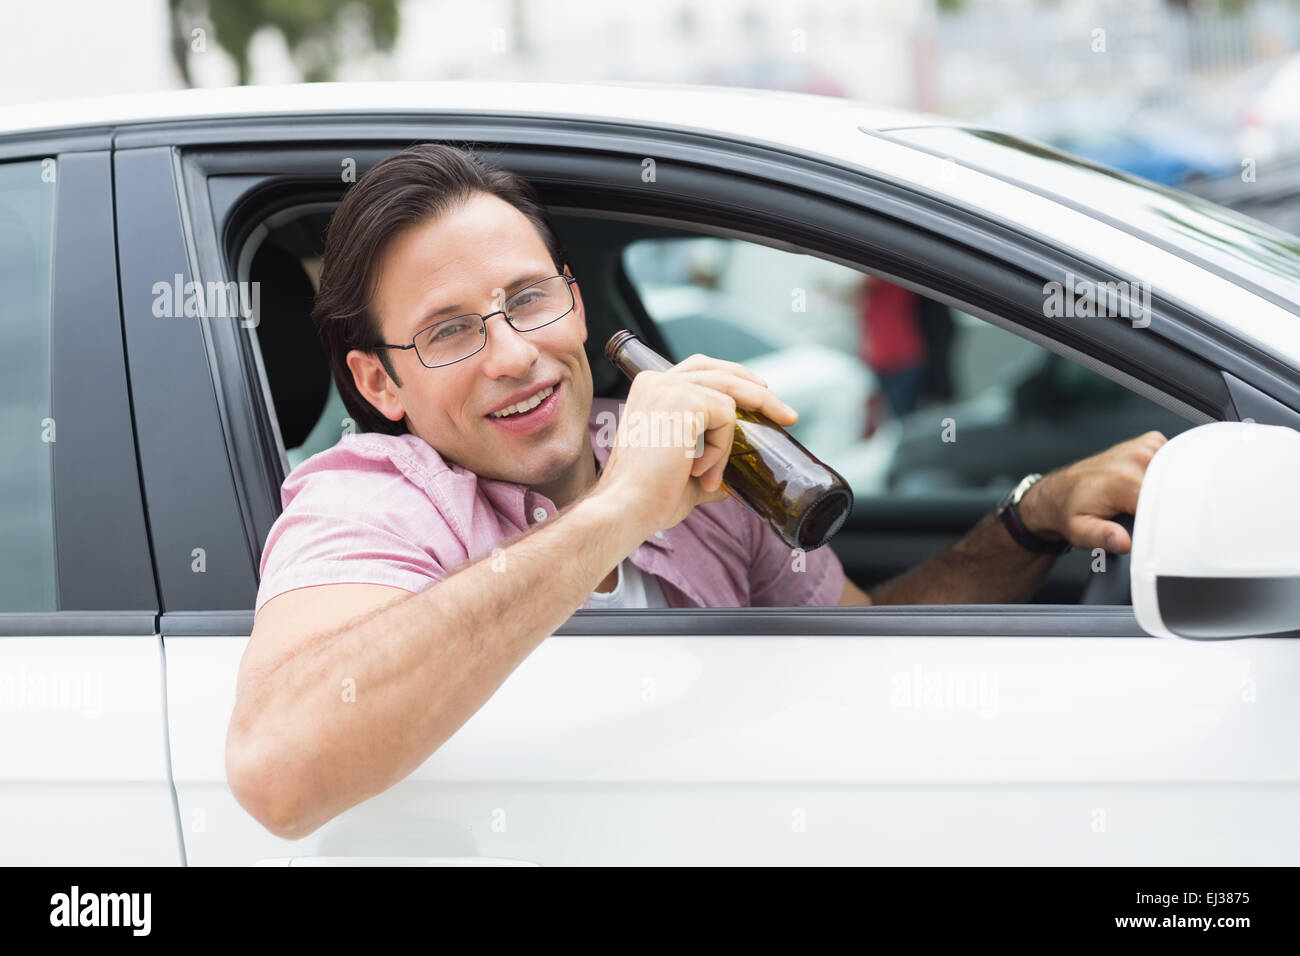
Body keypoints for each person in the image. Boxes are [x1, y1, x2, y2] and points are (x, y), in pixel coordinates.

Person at [227, 144, 1166, 839]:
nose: (515, 356)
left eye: (527, 301)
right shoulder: (368, 498)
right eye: (448, 333)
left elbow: (863, 651)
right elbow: (280, 771)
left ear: (574, 302)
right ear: (380, 382)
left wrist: (1029, 521)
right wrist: (619, 509)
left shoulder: (697, 469)